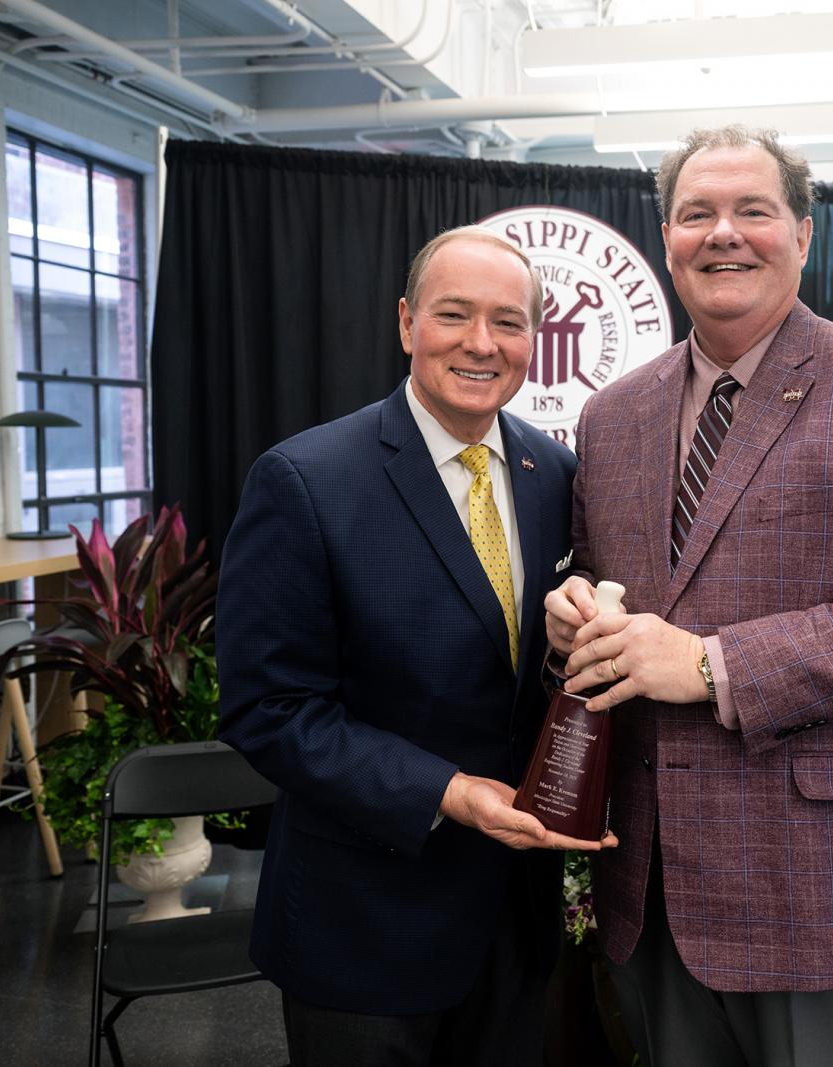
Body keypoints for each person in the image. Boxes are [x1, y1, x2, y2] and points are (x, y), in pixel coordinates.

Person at [544, 126, 833, 1066]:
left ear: (803, 233)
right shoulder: (611, 415)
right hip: (656, 885)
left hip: (830, 888)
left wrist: (710, 664)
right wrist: (574, 611)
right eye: (697, 213)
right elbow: (607, 584)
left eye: (753, 209)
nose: (725, 233)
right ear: (666, 238)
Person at [217, 226, 614, 1067]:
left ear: (534, 340)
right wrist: (450, 791)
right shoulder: (305, 480)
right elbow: (268, 710)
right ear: (406, 323)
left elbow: (522, 672)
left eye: (508, 322)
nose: (481, 343)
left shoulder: (556, 473)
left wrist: (563, 646)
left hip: (513, 924)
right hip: (363, 926)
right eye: (454, 314)